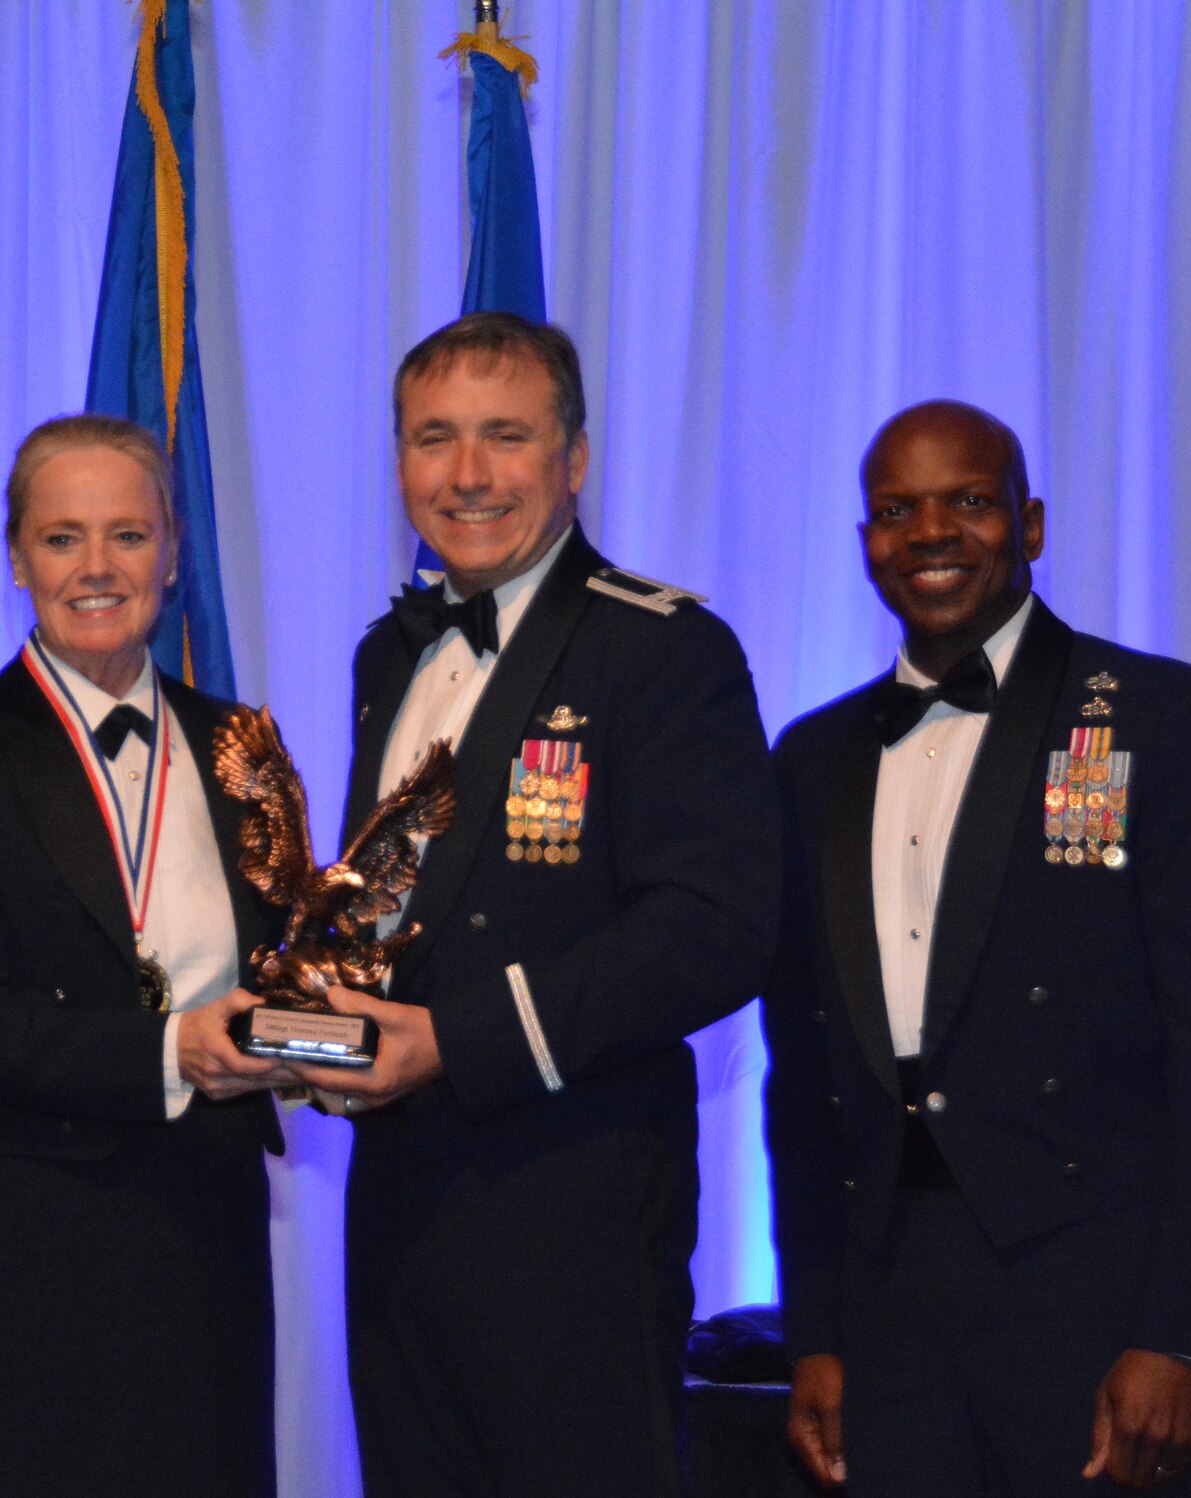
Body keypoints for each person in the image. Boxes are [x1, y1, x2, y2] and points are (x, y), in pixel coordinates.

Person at [763, 399, 1191, 1496]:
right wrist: (813, 1326)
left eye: (966, 500)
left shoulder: (1167, 718)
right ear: (863, 539)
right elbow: (802, 1074)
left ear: (1031, 523)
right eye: (892, 509)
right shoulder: (807, 759)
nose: (928, 532)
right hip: (886, 1319)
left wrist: (1184, 1338)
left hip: (1100, 1312)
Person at [286, 312, 780, 1495]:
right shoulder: (384, 656)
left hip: (574, 1217)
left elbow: (715, 929)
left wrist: (450, 1043)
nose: (465, 475)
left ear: (574, 458)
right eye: (432, 438)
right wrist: (313, 1016)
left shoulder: (664, 651)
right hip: (400, 1213)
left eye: (503, 436)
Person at [0, 414, 290, 1498]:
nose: (97, 568)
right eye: (62, 538)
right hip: (24, 1252)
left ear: (172, 551)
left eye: (127, 535)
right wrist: (173, 1050)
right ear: (14, 558)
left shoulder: (246, 747)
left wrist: (325, 1040)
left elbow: (290, 968)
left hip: (206, 1245)